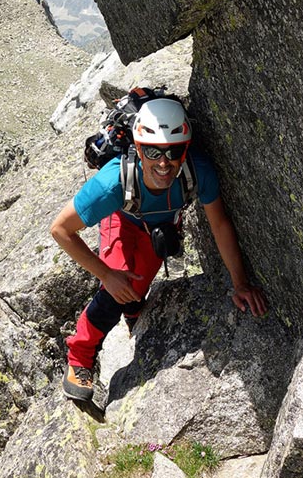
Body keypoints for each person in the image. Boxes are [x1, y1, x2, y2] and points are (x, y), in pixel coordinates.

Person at [50, 97, 267, 401]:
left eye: (173, 151)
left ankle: (133, 308)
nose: (163, 163)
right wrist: (107, 274)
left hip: (157, 227)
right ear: (138, 149)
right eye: (153, 152)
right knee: (118, 289)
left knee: (135, 291)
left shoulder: (198, 171)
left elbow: (220, 225)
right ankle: (80, 355)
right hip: (122, 219)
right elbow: (60, 230)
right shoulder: (113, 182)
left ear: (185, 149)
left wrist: (240, 283)